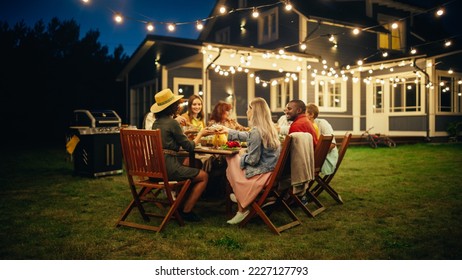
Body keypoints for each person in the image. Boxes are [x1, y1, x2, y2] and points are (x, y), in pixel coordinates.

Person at [151, 88, 214, 222]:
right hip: (168, 168)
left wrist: (184, 136)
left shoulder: (157, 123)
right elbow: (190, 147)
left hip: (155, 167)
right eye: (177, 103)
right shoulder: (173, 123)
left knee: (191, 170)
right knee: (203, 176)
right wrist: (201, 134)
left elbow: (169, 141)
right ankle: (186, 211)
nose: (179, 105)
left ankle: (179, 206)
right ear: (173, 107)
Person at [219, 97, 281, 225]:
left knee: (231, 158)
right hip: (271, 172)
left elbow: (253, 160)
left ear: (254, 111)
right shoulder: (270, 128)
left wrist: (242, 155)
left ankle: (242, 207)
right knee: (236, 159)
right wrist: (229, 131)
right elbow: (249, 136)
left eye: (248, 109)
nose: (247, 111)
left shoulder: (256, 131)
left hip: (261, 174)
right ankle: (241, 196)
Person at [306, 103, 339, 175]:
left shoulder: (322, 123)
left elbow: (332, 144)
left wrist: (317, 154)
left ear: (311, 115)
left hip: (326, 159)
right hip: (313, 158)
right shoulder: (305, 125)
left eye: (303, 113)